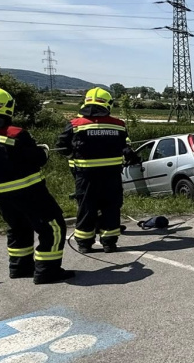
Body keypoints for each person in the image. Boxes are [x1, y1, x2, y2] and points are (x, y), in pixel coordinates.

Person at [0, 85, 73, 284]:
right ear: (6, 106)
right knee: (53, 227)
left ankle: (20, 267)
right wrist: (43, 150)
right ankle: (47, 271)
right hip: (26, 189)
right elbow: (37, 159)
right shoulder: (14, 133)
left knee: (18, 226)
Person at [54, 87, 139, 254]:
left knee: (86, 208)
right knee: (111, 208)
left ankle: (84, 244)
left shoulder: (75, 124)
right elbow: (125, 147)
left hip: (85, 176)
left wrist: (73, 156)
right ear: (108, 104)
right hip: (111, 175)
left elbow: (61, 147)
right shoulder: (119, 125)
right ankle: (109, 243)